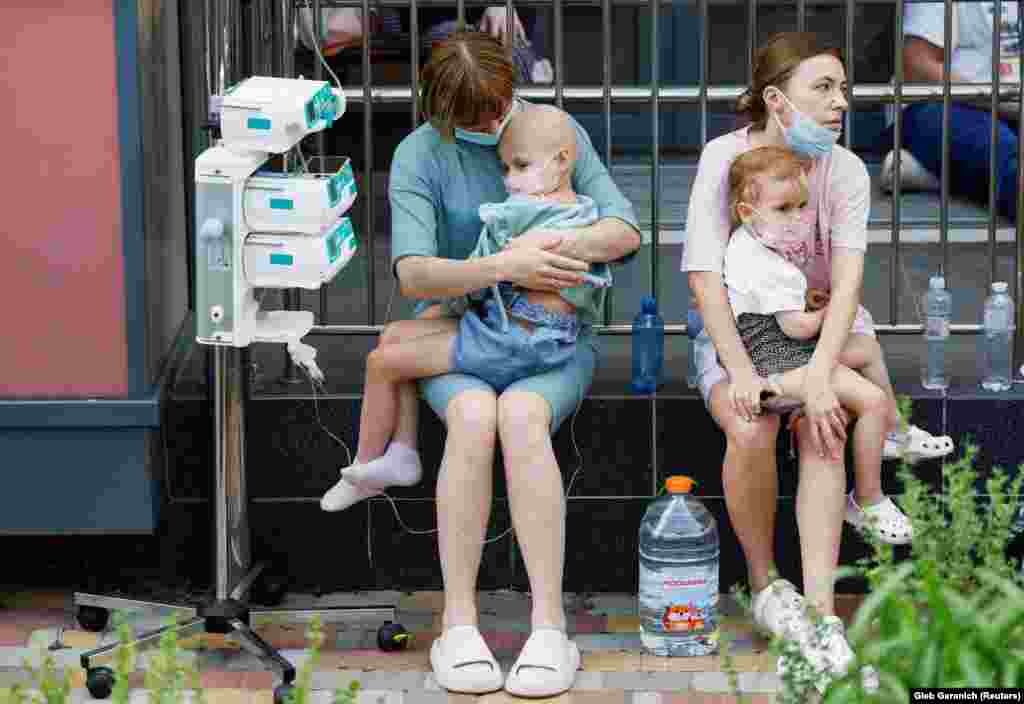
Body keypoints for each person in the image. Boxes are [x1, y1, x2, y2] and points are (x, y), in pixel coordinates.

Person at [350, 31, 639, 697]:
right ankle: (458, 622)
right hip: (464, 329)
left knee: (522, 416)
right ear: (440, 110)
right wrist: (502, 266)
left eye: (498, 105)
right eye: (473, 117)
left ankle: (547, 626)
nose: (491, 124)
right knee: (476, 415)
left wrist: (557, 243)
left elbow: (624, 229)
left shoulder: (547, 129)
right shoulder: (419, 155)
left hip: (552, 338)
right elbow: (415, 274)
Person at [682, 32, 888, 692]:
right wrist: (740, 369)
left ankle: (824, 615)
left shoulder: (849, 171)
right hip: (738, 335)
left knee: (823, 424)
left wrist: (824, 376)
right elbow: (704, 276)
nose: (840, 103)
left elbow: (850, 285)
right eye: (822, 89)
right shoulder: (725, 158)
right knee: (750, 424)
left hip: (820, 332)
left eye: (844, 90)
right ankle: (768, 583)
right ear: (776, 98)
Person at [320, 104, 611, 512]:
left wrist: (448, 304)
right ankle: (402, 452)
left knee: (381, 362)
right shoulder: (584, 213)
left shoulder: (512, 217)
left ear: (563, 161)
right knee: (395, 335)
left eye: (520, 166)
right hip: (542, 334)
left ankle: (363, 467)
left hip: (514, 340)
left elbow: (475, 279)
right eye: (506, 168)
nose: (509, 180)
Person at [724, 146, 911, 552]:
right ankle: (867, 497)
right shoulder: (769, 265)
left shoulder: (748, 245)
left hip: (782, 351)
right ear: (745, 211)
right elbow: (796, 326)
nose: (796, 219)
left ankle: (894, 433)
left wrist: (809, 306)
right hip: (780, 360)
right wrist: (830, 310)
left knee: (865, 350)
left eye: (802, 207)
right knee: (872, 401)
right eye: (783, 208)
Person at [882, 0, 1021, 221]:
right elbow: (917, 65)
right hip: (939, 104)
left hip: (1008, 106)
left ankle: (939, 174)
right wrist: (1003, 103)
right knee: (1005, 154)